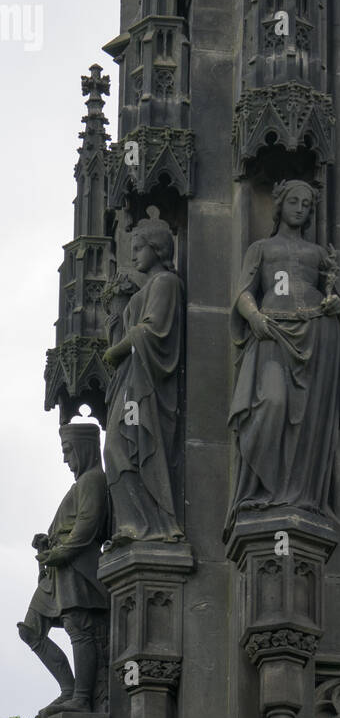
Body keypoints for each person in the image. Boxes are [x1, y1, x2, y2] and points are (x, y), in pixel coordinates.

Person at [226, 180, 340, 525]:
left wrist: (338, 305)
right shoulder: (261, 249)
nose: (300, 208)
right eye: (294, 201)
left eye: (307, 204)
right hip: (273, 334)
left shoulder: (320, 255)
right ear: (280, 205)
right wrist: (254, 316)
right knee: (272, 403)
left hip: (317, 334)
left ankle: (298, 494)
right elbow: (243, 293)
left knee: (310, 419)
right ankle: (261, 492)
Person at [103, 213, 184, 544]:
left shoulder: (165, 283)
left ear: (157, 247)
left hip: (145, 381)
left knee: (121, 444)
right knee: (116, 447)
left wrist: (117, 350)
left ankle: (151, 523)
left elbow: (152, 331)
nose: (134, 254)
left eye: (139, 247)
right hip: (131, 377)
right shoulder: (148, 286)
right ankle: (135, 522)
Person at [18, 423, 109, 717]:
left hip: (77, 566)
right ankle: (69, 690)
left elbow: (87, 526)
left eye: (69, 451)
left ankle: (81, 698)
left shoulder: (94, 479)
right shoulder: (82, 482)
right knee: (31, 629)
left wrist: (59, 553)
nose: (65, 459)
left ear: (84, 448)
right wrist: (48, 542)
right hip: (60, 567)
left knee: (78, 628)